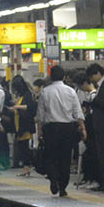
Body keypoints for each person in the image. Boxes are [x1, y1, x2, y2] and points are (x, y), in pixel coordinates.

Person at [37, 64, 84, 197]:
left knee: (51, 156)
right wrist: (83, 127)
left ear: (51, 77)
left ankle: (53, 180)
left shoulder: (45, 91)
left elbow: (40, 114)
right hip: (67, 128)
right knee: (65, 158)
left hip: (51, 128)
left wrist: (39, 131)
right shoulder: (70, 91)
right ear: (64, 76)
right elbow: (77, 111)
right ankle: (63, 187)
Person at [5, 74, 35, 172]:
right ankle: (25, 167)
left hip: (25, 125)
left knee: (24, 147)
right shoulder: (22, 95)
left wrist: (17, 107)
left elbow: (29, 107)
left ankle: (26, 167)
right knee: (22, 146)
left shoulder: (27, 94)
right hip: (19, 124)